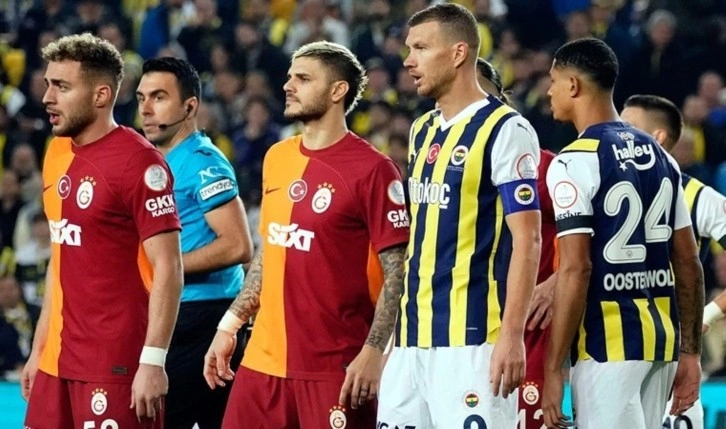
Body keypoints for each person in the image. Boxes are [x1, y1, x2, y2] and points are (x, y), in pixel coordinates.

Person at [203, 40, 410, 428]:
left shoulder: (374, 170)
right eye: (289, 77)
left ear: (337, 90)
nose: (288, 85)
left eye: (303, 78)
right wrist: (230, 325)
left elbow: (397, 273)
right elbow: (271, 250)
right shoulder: (277, 157)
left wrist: (374, 351)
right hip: (262, 363)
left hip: (335, 368)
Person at [377, 4, 542, 428]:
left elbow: (528, 239)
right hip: (411, 339)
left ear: (458, 53)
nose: (408, 61)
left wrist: (512, 335)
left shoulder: (506, 129)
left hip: (473, 341)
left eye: (420, 48)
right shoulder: (422, 130)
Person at [21, 33, 183, 429]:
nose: (47, 97)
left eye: (62, 87)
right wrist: (39, 349)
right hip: (56, 360)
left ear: (101, 95)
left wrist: (153, 361)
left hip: (114, 362)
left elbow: (169, 267)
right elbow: (60, 256)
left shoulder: (139, 162)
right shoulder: (57, 151)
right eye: (48, 84)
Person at [541, 38, 704, 429]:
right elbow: (688, 260)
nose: (548, 91)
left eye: (554, 81)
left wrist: (552, 367)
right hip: (660, 346)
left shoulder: (572, 162)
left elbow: (576, 269)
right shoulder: (661, 156)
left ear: (573, 85)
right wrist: (691, 353)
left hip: (607, 349)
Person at [136, 57, 254, 429]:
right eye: (141, 98)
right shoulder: (157, 161)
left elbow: (237, 245)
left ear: (189, 107)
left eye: (159, 97)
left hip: (202, 316)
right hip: (176, 312)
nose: (146, 108)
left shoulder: (204, 163)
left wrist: (165, 268)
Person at [620, 94, 726, 429]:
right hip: (610, 352)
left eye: (627, 128)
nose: (617, 135)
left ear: (657, 138)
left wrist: (708, 314)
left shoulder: (698, 197)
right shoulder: (601, 190)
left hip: (673, 358)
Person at [476, 57, 558, 429]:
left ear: (501, 101)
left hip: (529, 330)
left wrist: (557, 282)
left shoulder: (544, 169)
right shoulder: (439, 167)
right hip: (465, 324)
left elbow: (599, 229)